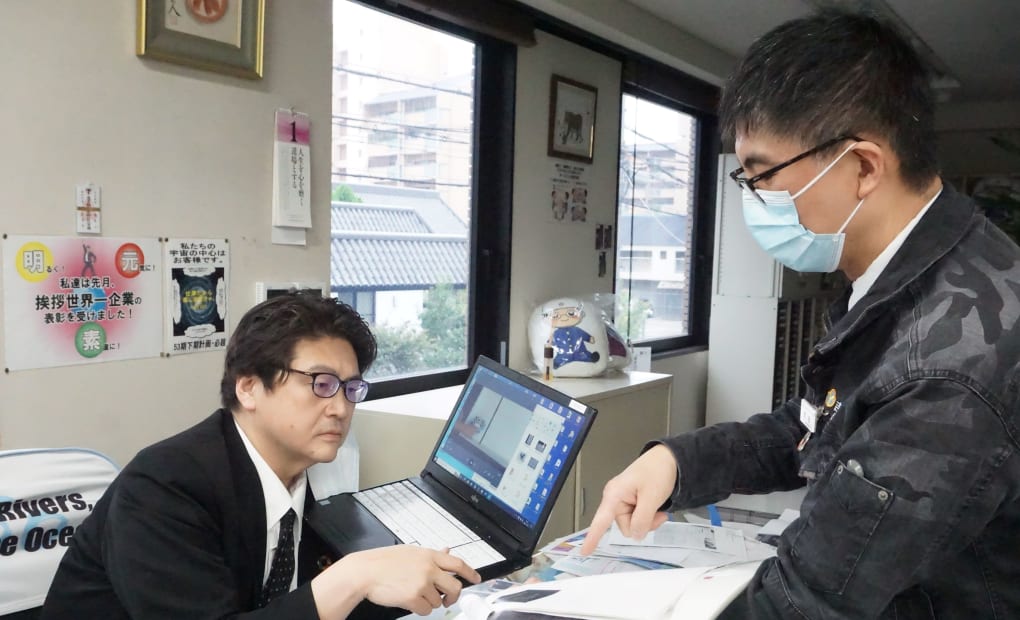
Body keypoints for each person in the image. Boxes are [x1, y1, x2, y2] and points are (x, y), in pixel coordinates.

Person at [582, 10, 1020, 619]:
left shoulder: (945, 362)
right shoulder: (914, 270)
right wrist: (680, 461)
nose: (752, 198)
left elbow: (808, 602)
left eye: (762, 174)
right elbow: (824, 425)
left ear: (864, 166)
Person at [41, 293, 480, 619]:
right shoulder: (163, 486)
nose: (341, 407)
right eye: (321, 383)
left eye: (350, 388)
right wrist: (354, 575)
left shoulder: (303, 474)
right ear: (248, 387)